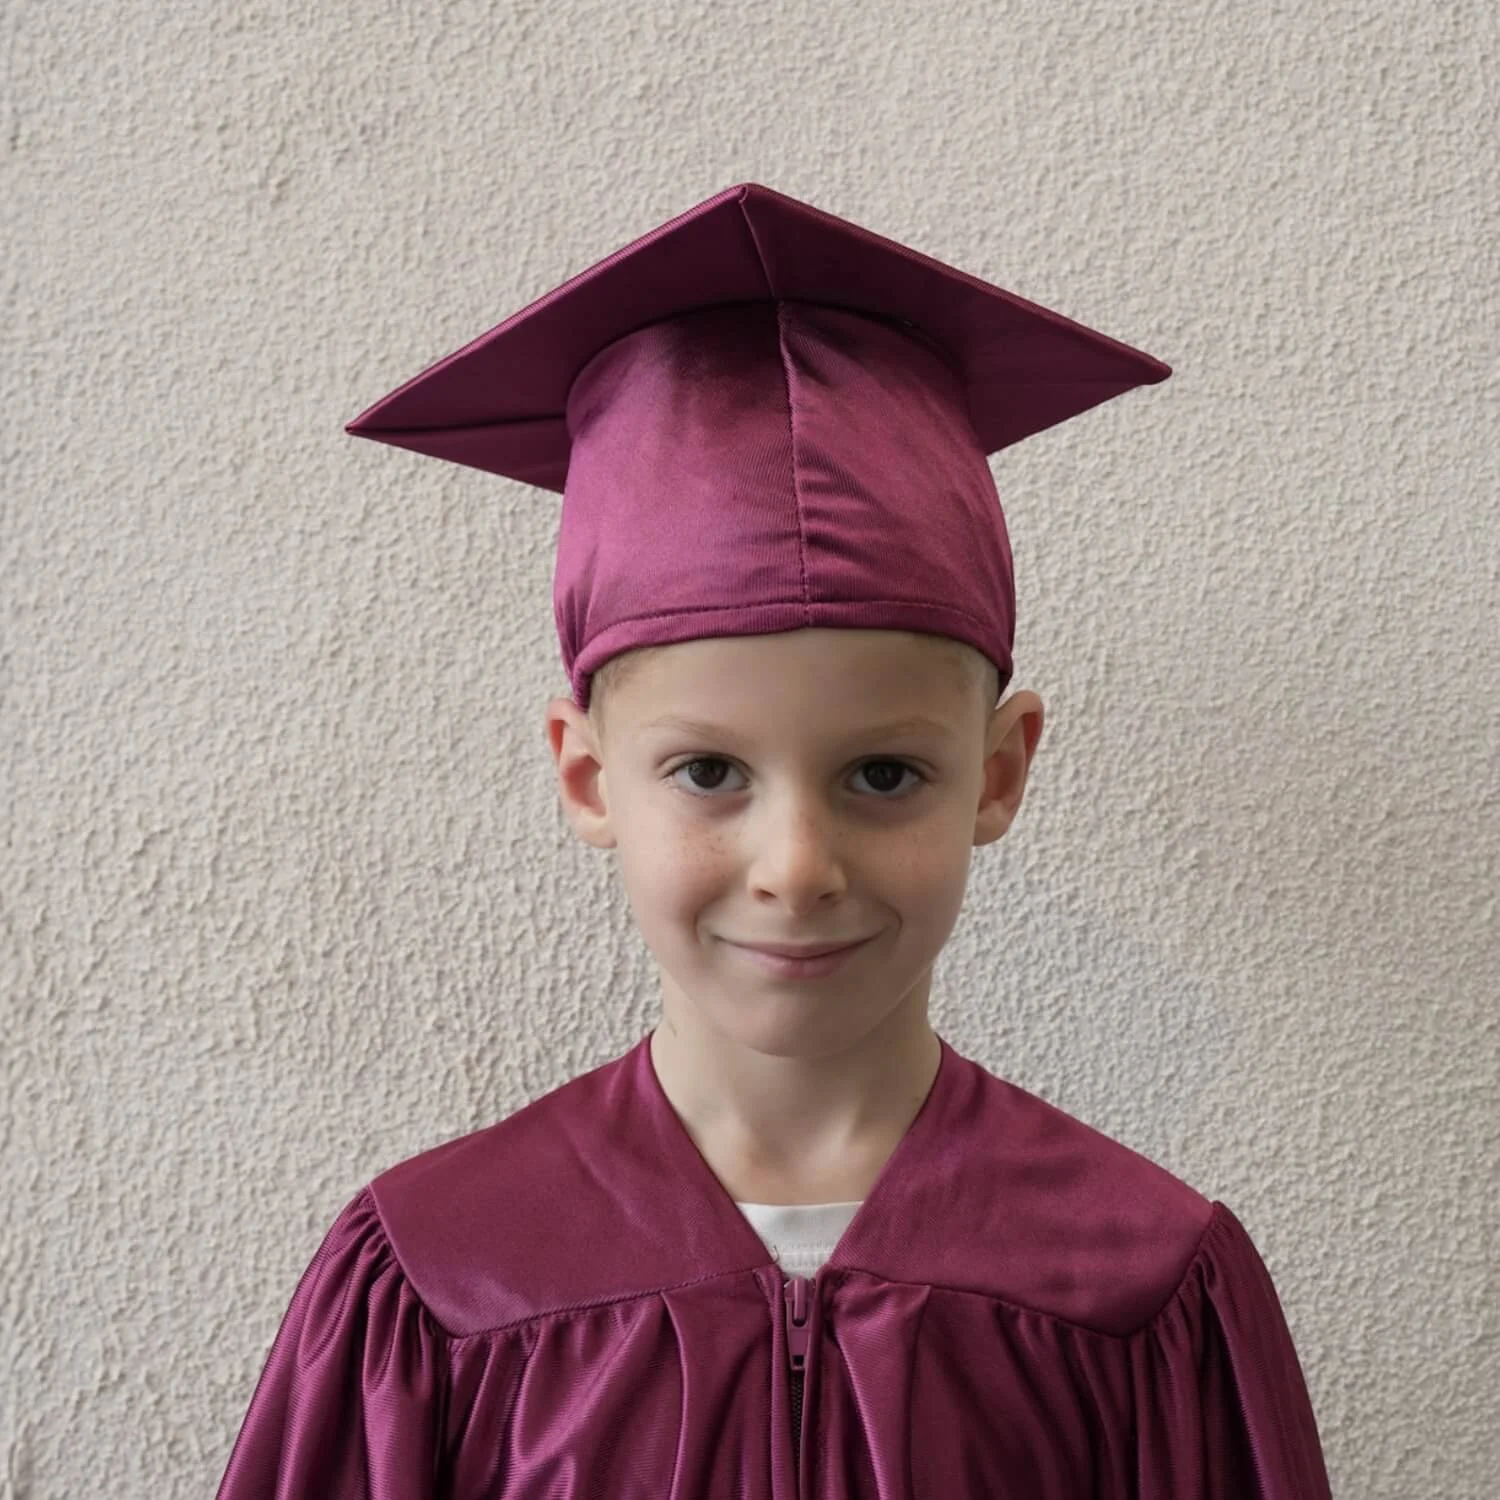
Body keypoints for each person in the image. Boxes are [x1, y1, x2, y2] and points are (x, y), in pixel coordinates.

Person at [214, 182, 1332, 1498]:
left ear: (1000, 769)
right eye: (707, 771)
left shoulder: (1145, 1286)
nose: (795, 867)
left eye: (882, 772)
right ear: (585, 777)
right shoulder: (436, 1283)